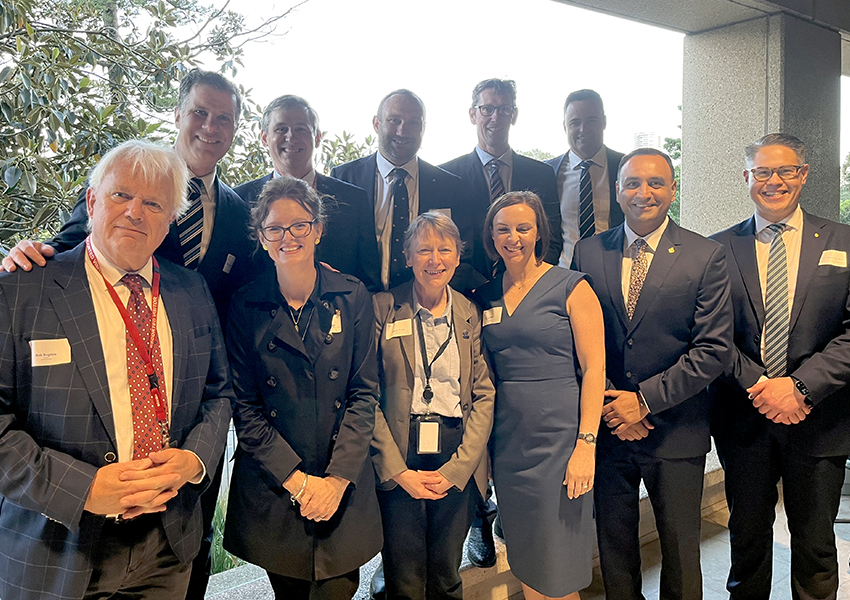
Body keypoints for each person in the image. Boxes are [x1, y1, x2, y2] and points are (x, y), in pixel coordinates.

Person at [0, 68, 259, 599]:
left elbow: (218, 390)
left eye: (154, 206)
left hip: (168, 540)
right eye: (121, 198)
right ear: (92, 201)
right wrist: (83, 489)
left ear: (169, 222)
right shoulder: (24, 292)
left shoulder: (204, 270)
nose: (136, 213)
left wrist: (196, 459)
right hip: (59, 549)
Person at [571, 148, 733, 600]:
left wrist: (641, 401)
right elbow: (577, 341)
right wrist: (611, 405)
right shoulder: (588, 251)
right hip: (608, 431)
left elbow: (713, 349)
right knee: (615, 551)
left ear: (673, 189)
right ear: (618, 192)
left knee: (681, 553)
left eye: (657, 182)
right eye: (633, 183)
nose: (645, 193)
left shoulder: (705, 255)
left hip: (676, 429)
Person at [223, 176, 382, 599]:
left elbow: (364, 393)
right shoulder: (246, 304)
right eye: (275, 229)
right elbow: (245, 406)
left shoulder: (352, 296)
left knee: (338, 590)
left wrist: (334, 482)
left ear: (318, 229)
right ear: (261, 237)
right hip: (277, 487)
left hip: (341, 484)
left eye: (299, 226)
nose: (287, 237)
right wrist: (299, 483)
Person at [710, 133, 850, 600]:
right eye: (763, 172)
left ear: (803, 176)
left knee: (815, 546)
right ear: (747, 178)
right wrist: (764, 387)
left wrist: (801, 387)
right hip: (743, 418)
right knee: (746, 544)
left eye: (786, 171)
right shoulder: (716, 249)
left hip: (820, 417)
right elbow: (711, 336)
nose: (774, 182)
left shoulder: (843, 241)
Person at [474, 191, 605, 600]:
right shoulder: (484, 295)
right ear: (491, 236)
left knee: (558, 563)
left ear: (539, 233)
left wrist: (586, 445)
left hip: (560, 443)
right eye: (503, 229)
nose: (513, 237)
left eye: (523, 228)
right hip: (509, 443)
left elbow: (595, 370)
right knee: (526, 555)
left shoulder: (571, 287)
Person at [372, 211, 495, 599]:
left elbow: (483, 394)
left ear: (458, 257)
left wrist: (459, 469)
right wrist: (396, 470)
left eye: (444, 249)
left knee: (446, 571)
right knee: (403, 574)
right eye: (424, 249)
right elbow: (366, 394)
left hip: (455, 449)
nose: (435, 259)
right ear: (407, 256)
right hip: (400, 448)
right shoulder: (383, 308)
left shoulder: (469, 314)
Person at [331, 89, 479, 292]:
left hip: (427, 310)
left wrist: (434, 303)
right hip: (361, 308)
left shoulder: (450, 187)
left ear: (423, 128)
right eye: (394, 120)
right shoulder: (343, 179)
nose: (403, 131)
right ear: (377, 123)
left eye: (413, 123)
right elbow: (337, 252)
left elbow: (463, 257)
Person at [234, 94, 381, 291]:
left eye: (301, 129)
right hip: (262, 319)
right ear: (264, 138)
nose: (291, 137)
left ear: (318, 137)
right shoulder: (241, 200)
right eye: (281, 129)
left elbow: (369, 280)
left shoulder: (353, 200)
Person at [442, 78, 562, 277]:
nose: (495, 117)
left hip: (529, 288)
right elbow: (444, 241)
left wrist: (529, 279)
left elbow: (552, 239)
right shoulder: (448, 177)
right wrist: (475, 286)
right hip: (469, 291)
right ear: (473, 115)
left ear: (513, 116)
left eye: (504, 109)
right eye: (487, 109)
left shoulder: (541, 174)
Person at [547, 89, 625, 267]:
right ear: (565, 126)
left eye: (591, 120)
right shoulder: (547, 173)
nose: (583, 129)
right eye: (575, 122)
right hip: (562, 275)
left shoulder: (626, 166)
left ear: (604, 122)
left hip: (615, 273)